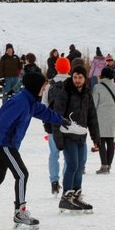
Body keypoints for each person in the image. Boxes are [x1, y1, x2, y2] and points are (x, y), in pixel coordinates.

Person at [0, 72, 68, 228]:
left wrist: (60, 120)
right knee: (22, 174)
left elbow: (43, 112)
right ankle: (20, 212)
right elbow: (1, 123)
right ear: (35, 86)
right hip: (5, 144)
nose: (44, 89)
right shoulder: (19, 102)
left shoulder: (30, 102)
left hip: (9, 144)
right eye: (43, 87)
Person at [49, 64, 100, 212]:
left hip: (81, 136)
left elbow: (92, 116)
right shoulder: (65, 92)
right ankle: (66, 197)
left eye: (80, 77)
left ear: (85, 79)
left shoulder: (86, 94)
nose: (77, 80)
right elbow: (56, 116)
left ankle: (76, 195)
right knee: (72, 164)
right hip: (68, 135)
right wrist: (58, 139)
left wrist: (96, 137)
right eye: (75, 77)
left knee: (80, 166)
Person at [43, 56, 71, 196]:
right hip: (69, 125)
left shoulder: (50, 84)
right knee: (68, 155)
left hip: (52, 123)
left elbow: (44, 105)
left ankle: (54, 182)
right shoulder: (72, 83)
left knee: (53, 154)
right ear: (69, 68)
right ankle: (67, 182)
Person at [92, 66, 115, 174]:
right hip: (112, 117)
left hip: (100, 117)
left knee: (101, 143)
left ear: (102, 75)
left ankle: (103, 166)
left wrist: (91, 120)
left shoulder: (97, 87)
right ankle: (108, 166)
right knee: (110, 142)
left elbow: (94, 104)